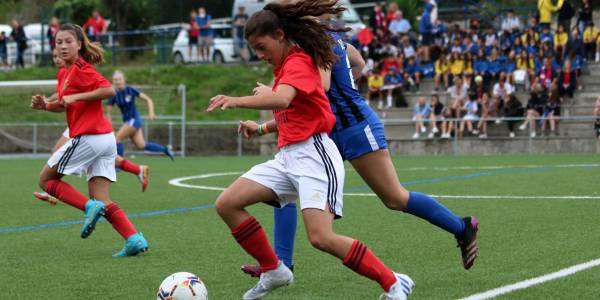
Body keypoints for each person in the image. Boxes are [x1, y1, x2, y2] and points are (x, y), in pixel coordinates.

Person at [238, 1, 479, 287]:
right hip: (326, 131)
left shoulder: (315, 42)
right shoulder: (312, 41)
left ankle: (462, 227)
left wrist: (339, 94)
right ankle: (280, 265)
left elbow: (322, 87)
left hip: (355, 128)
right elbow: (358, 63)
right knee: (286, 184)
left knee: (394, 198)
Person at [206, 2, 416, 299]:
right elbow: (292, 110)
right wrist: (261, 127)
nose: (260, 56)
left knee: (321, 238)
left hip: (315, 157)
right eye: (255, 49)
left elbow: (281, 100)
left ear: (280, 35)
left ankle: (394, 282)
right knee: (227, 204)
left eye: (262, 47)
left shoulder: (298, 61)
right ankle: (274, 270)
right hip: (288, 157)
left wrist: (235, 99)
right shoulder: (282, 66)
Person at [29, 24, 147, 257]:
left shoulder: (83, 68)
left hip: (90, 137)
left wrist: (77, 96)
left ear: (80, 44)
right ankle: (133, 238)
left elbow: (109, 91)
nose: (62, 46)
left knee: (45, 180)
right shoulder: (64, 72)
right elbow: (65, 105)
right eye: (58, 42)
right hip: (104, 140)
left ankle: (87, 207)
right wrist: (46, 105)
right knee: (101, 197)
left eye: (68, 41)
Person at [34, 48, 150, 204]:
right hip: (79, 123)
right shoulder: (63, 73)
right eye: (54, 56)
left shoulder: (77, 69)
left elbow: (99, 90)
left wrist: (53, 101)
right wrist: (48, 102)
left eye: (59, 55)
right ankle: (137, 170)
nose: (57, 59)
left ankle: (54, 192)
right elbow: (61, 97)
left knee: (58, 153)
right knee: (87, 157)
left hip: (84, 123)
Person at [106, 70, 174, 161]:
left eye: (119, 79)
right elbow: (108, 113)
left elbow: (148, 99)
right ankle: (166, 150)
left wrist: (151, 113)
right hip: (127, 122)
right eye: (115, 80)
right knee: (141, 145)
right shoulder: (113, 94)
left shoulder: (130, 90)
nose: (118, 82)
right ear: (112, 82)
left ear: (124, 80)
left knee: (117, 139)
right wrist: (111, 128)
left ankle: (119, 165)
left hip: (134, 120)